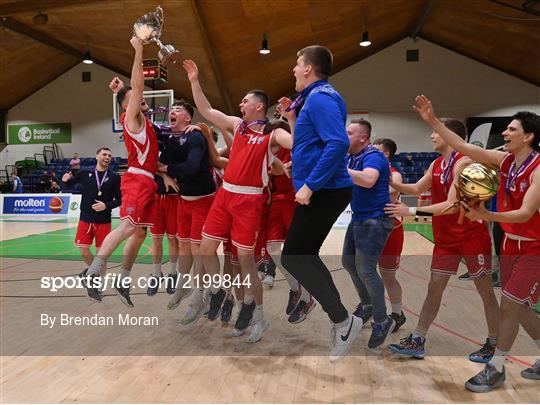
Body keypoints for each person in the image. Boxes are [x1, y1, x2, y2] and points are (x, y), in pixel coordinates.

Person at [412, 95, 540, 392]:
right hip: (511, 243)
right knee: (520, 309)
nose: (505, 134)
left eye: (511, 130)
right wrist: (431, 119)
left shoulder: (537, 169)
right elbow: (463, 146)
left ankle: (495, 368)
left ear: (529, 136)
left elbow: (525, 213)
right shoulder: (506, 161)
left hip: (534, 245)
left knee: (509, 305)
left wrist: (486, 214)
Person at [182, 58, 292, 343]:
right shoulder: (237, 125)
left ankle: (259, 316)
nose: (240, 105)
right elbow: (206, 110)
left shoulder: (273, 134)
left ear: (259, 106)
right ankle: (217, 291)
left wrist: (291, 119)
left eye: (245, 101)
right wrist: (194, 80)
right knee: (205, 249)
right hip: (225, 195)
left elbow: (297, 143)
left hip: (250, 200)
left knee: (245, 260)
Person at [385, 117, 500, 365]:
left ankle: (494, 342)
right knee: (434, 287)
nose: (431, 136)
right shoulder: (437, 163)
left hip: (471, 237)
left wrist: (412, 213)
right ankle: (417, 339)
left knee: (485, 292)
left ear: (448, 134)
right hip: (446, 239)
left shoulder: (464, 162)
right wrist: (386, 180)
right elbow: (415, 188)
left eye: (435, 132)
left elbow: (451, 205)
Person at [277, 45, 361, 362]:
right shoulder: (313, 99)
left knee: (295, 257)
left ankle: (342, 319)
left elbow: (338, 143)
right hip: (324, 187)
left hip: (327, 189)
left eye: (297, 64)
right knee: (302, 256)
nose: (294, 70)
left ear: (309, 68)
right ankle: (341, 318)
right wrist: (296, 167)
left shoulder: (321, 97)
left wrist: (310, 184)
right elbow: (310, 143)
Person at [81, 37, 162, 306]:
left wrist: (119, 90)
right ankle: (93, 273)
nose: (140, 97)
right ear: (127, 106)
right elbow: (137, 86)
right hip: (138, 179)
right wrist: (138, 49)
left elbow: (132, 94)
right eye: (134, 98)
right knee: (128, 227)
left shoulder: (143, 119)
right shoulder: (131, 118)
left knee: (140, 233)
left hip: (149, 180)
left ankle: (123, 279)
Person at [341, 120, 395, 350]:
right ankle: (367, 304)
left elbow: (369, 179)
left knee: (365, 269)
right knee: (347, 263)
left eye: (349, 133)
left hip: (375, 220)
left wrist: (337, 168)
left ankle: (382, 320)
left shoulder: (373, 156)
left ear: (363, 137)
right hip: (359, 217)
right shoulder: (350, 157)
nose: (345, 136)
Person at [62, 147, 121, 266]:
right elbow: (68, 186)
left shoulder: (115, 177)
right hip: (85, 218)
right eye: (104, 154)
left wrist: (106, 205)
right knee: (83, 249)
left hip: (103, 221)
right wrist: (64, 180)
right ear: (97, 156)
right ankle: (94, 273)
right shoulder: (84, 173)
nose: (107, 157)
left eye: (109, 156)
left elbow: (120, 199)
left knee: (101, 254)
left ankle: (99, 280)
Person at [372, 138, 407, 332]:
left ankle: (397, 313)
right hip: (370, 231)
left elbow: (392, 193)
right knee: (365, 272)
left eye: (375, 150)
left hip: (390, 232)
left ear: (385, 154)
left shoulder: (395, 174)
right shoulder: (370, 171)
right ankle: (371, 306)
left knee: (388, 276)